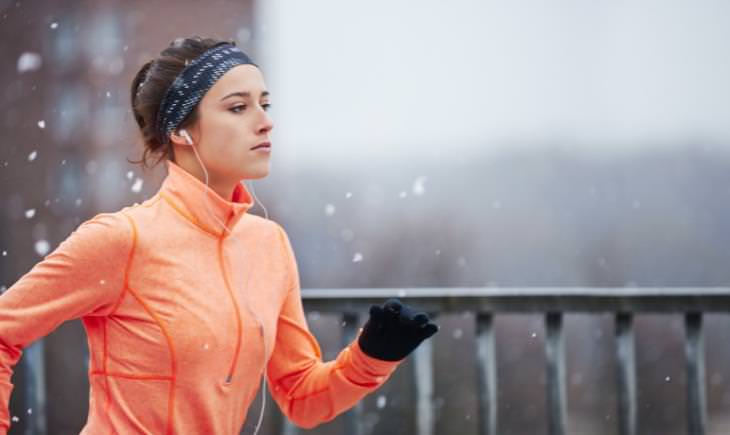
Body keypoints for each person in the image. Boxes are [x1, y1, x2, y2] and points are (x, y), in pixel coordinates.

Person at [0, 36, 438, 434]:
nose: (265, 122)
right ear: (179, 130)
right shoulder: (121, 239)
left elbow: (301, 398)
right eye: (238, 107)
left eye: (265, 104)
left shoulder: (269, 245)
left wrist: (370, 358)